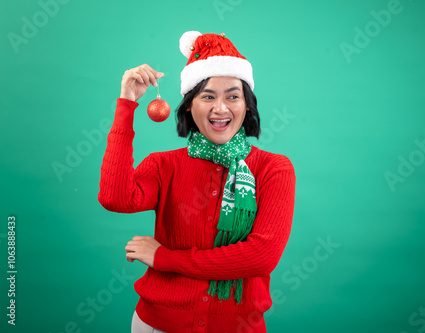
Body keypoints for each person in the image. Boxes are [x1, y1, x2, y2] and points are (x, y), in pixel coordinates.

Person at [98, 30, 296, 333]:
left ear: (247, 104)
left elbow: (260, 256)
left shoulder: (273, 169)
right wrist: (126, 104)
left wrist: (165, 258)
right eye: (208, 96)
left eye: (233, 96)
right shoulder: (163, 165)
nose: (221, 108)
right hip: (156, 324)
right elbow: (115, 198)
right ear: (189, 105)